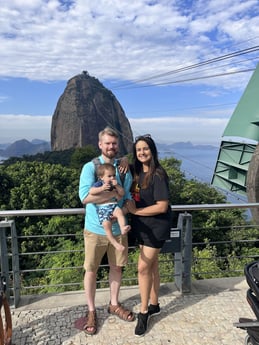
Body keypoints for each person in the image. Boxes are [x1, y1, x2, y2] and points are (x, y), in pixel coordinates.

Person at [78, 127, 135, 336]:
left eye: (114, 143)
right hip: (94, 229)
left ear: (117, 145)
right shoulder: (90, 168)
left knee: (117, 268)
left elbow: (127, 195)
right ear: (100, 144)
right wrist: (112, 198)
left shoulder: (123, 168)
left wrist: (122, 202)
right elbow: (85, 198)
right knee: (91, 270)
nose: (111, 147)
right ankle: (91, 310)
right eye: (107, 143)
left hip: (119, 228)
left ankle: (113, 304)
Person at [126, 134, 172, 337]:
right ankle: (154, 304)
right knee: (152, 266)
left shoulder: (158, 175)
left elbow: (162, 206)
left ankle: (143, 312)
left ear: (152, 151)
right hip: (142, 227)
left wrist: (135, 212)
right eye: (138, 150)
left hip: (157, 227)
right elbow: (121, 165)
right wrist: (121, 161)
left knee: (143, 267)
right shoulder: (136, 172)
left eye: (145, 149)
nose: (142, 152)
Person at [89, 163, 131, 252]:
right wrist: (102, 188)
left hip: (113, 205)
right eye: (109, 176)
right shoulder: (99, 184)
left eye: (114, 175)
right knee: (106, 225)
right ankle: (115, 244)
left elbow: (122, 193)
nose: (112, 178)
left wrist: (117, 186)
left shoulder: (115, 185)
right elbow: (91, 191)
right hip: (102, 208)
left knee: (119, 213)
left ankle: (123, 227)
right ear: (101, 177)